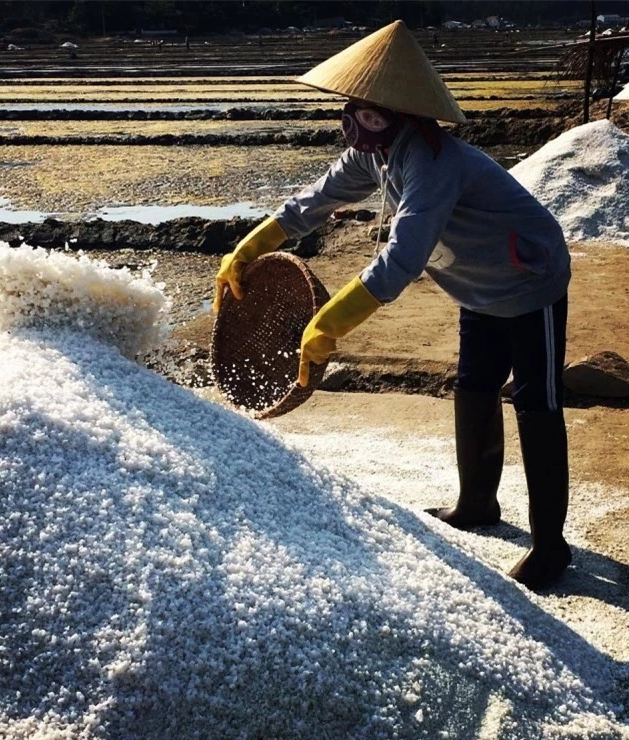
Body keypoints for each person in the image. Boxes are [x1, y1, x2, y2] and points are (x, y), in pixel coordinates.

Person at [212, 21, 572, 591]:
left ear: (404, 116)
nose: (358, 127)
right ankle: (477, 503)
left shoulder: (433, 162)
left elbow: (402, 258)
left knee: (536, 402)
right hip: (474, 284)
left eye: (372, 117)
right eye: (354, 114)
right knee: (475, 386)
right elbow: (316, 199)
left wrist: (329, 321)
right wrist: (251, 244)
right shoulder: (375, 156)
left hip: (528, 278)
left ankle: (551, 547)